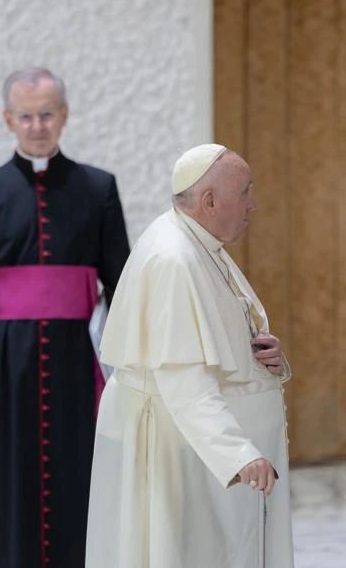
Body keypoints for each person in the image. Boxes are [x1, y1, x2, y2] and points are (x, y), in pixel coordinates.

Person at [0, 67, 131, 567]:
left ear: (65, 116)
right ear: (9, 119)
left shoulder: (98, 188)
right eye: (26, 115)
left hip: (79, 361)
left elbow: (122, 285)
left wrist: (134, 365)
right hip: (8, 363)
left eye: (47, 114)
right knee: (7, 477)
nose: (37, 125)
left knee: (79, 472)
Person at [85, 144, 294, 568]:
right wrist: (239, 454)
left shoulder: (196, 240)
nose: (253, 203)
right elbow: (184, 381)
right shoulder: (175, 258)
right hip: (181, 451)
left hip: (198, 450)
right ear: (210, 201)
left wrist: (265, 355)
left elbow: (216, 339)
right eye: (246, 192)